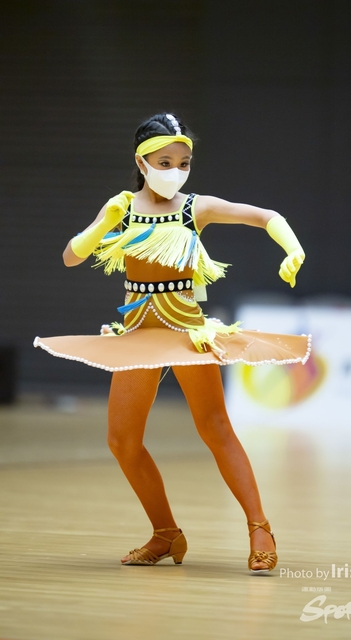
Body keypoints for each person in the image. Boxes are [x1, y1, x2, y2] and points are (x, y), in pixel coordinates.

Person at [34, 112, 311, 574]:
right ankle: (165, 532)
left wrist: (294, 247)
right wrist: (104, 222)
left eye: (184, 163)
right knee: (122, 441)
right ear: (141, 163)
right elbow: (70, 256)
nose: (176, 171)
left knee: (215, 427)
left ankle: (259, 527)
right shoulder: (122, 208)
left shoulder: (194, 208)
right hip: (138, 336)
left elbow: (265, 217)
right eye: (165, 162)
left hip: (185, 333)